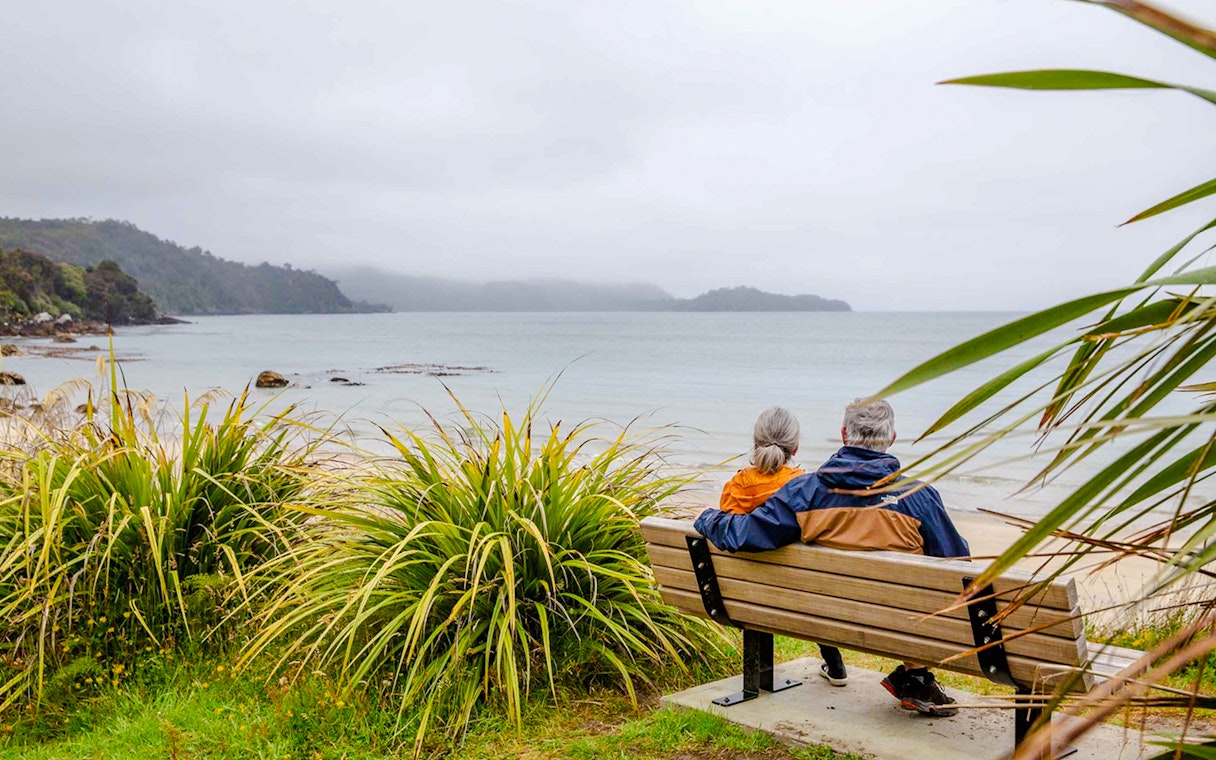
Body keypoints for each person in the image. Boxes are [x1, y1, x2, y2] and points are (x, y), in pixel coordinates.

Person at [694, 398, 970, 716]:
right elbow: (958, 561)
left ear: (843, 434)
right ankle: (917, 676)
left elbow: (744, 532)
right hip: (900, 622)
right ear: (892, 438)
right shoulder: (919, 498)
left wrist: (707, 517)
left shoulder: (804, 493)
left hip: (825, 617)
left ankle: (917, 679)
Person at [717, 407, 848, 686]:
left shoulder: (735, 487)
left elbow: (728, 529)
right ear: (796, 448)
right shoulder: (803, 487)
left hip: (744, 594)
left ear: (755, 444)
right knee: (808, 584)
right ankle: (834, 663)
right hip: (798, 596)